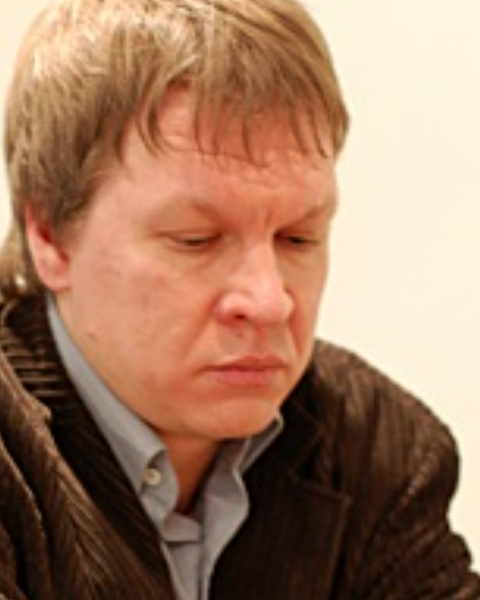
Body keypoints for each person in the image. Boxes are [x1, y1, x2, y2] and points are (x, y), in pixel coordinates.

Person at [0, 0, 478, 598]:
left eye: (298, 238)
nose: (270, 301)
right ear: (49, 236)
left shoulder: (380, 448)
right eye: (195, 240)